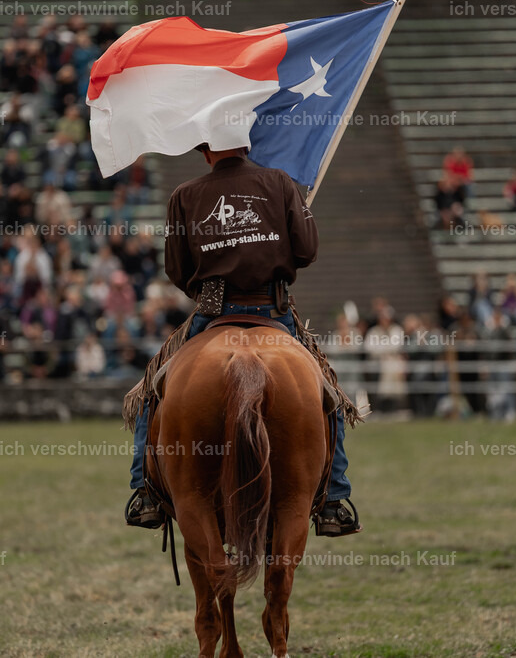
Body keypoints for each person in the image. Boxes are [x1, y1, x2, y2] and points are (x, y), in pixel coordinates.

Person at [124, 145, 362, 537]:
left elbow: (176, 269)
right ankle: (334, 499)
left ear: (205, 152)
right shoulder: (279, 182)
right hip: (274, 311)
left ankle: (144, 491)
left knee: (153, 392)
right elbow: (307, 251)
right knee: (328, 394)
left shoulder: (184, 195)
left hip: (213, 313)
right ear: (247, 146)